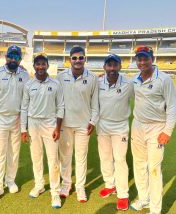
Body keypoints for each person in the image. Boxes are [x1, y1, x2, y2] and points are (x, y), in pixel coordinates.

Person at [130, 46, 176, 214]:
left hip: (156, 127)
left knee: (154, 168)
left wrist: (168, 131)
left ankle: (156, 209)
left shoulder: (164, 79)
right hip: (137, 125)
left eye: (145, 58)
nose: (142, 62)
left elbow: (172, 106)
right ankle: (144, 198)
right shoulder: (134, 79)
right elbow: (119, 84)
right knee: (139, 164)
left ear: (152, 59)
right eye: (139, 59)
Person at [0, 45, 30, 202]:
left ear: (20, 60)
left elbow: (27, 99)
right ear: (5, 56)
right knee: (0, 154)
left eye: (16, 57)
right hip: (0, 119)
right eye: (11, 56)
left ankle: (10, 180)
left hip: (17, 119)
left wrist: (25, 123)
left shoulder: (25, 75)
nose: (13, 59)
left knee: (14, 153)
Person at [20, 53, 64, 208]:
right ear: (34, 66)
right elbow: (24, 108)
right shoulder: (28, 85)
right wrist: (23, 129)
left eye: (43, 64)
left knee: (53, 160)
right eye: (37, 64)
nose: (40, 67)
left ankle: (55, 192)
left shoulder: (56, 84)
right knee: (36, 157)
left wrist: (58, 128)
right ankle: (39, 184)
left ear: (47, 66)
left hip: (50, 123)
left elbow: (61, 107)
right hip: (33, 124)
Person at [56, 46, 99, 203]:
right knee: (65, 157)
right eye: (74, 58)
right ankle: (66, 184)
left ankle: (80, 187)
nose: (78, 61)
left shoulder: (92, 78)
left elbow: (95, 104)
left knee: (81, 157)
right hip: (65, 124)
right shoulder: (60, 77)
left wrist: (93, 121)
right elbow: (57, 102)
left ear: (85, 59)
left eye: (81, 58)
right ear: (70, 60)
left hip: (83, 125)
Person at [97, 54, 133, 211]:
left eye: (115, 65)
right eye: (109, 65)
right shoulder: (97, 82)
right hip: (102, 125)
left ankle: (123, 194)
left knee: (119, 159)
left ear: (120, 66)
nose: (112, 68)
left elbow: (142, 94)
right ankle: (110, 184)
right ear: (104, 67)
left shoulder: (129, 83)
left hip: (120, 127)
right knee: (105, 157)